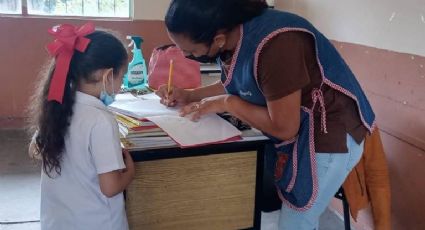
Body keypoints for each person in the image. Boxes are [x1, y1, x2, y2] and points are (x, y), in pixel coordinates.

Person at [156, 0, 376, 229]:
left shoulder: (276, 44)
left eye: (190, 51)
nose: (184, 55)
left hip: (330, 132)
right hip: (302, 125)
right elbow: (239, 82)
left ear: (218, 39)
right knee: (283, 212)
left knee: (297, 221)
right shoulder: (234, 35)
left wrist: (227, 103)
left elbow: (283, 126)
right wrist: (190, 96)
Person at [28, 23, 134, 230]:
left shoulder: (57, 108)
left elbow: (34, 150)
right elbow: (110, 187)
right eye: (122, 76)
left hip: (57, 222)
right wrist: (129, 173)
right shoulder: (101, 120)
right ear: (107, 76)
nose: (121, 85)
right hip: (97, 223)